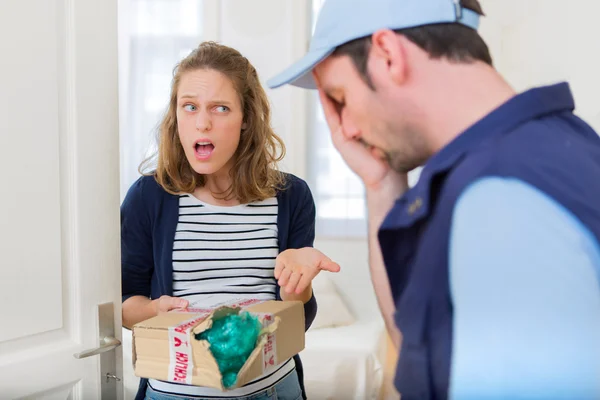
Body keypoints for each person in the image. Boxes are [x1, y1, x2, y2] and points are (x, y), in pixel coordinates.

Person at [268, 0, 600, 399]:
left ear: (389, 55)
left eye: (340, 97)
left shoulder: (499, 201)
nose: (348, 129)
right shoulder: (542, 148)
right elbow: (420, 350)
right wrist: (380, 185)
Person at [121, 41, 340, 400]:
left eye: (220, 108)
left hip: (274, 388)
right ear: (175, 116)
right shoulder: (149, 197)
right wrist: (152, 311)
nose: (202, 122)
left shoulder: (291, 196)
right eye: (189, 106)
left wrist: (297, 283)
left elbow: (296, 318)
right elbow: (126, 302)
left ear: (246, 120)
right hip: (175, 393)